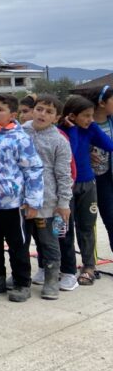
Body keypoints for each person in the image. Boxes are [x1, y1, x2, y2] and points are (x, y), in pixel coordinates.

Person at [0, 93, 44, 302]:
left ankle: (21, 282)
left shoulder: (20, 138)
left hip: (13, 204)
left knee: (18, 245)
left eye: (0, 109)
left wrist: (33, 201)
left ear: (12, 114)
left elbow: (34, 169)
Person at [58, 94, 113, 286]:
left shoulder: (90, 129)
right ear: (72, 116)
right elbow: (69, 153)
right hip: (65, 187)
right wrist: (72, 130)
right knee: (62, 228)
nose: (90, 119)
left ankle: (89, 266)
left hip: (88, 184)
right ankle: (66, 267)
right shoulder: (60, 132)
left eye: (92, 115)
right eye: (86, 116)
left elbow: (109, 145)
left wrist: (94, 127)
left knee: (87, 227)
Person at [22, 94, 73, 299]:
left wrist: (63, 203)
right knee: (21, 241)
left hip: (47, 203)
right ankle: (21, 277)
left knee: (49, 242)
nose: (43, 114)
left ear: (57, 117)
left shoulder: (59, 141)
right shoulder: (21, 131)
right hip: (21, 200)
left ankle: (52, 279)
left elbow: (63, 174)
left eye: (49, 111)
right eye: (40, 109)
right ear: (33, 110)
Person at [79, 85, 113, 256]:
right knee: (85, 223)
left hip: (107, 177)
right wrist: (85, 152)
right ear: (101, 103)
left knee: (111, 218)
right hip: (84, 179)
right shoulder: (83, 124)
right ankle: (89, 263)